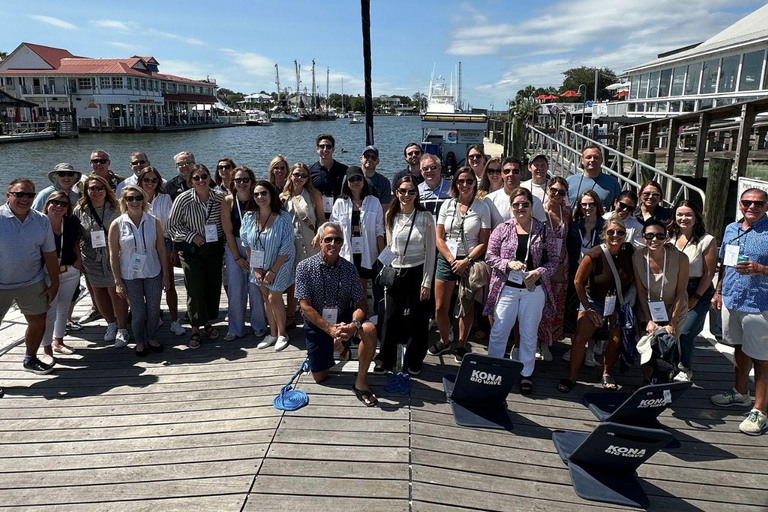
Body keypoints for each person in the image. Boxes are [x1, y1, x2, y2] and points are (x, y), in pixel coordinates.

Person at [484, 187, 559, 395]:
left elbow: (554, 261)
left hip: (533, 290)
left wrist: (540, 271)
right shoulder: (502, 228)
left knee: (528, 334)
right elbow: (489, 256)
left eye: (525, 204)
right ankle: (493, 369)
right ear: (511, 207)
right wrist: (508, 264)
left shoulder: (544, 230)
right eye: (516, 204)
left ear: (531, 206)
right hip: (507, 288)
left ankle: (526, 373)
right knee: (499, 330)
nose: (520, 208)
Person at [295, 222, 378, 406]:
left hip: (342, 317)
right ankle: (339, 347)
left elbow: (361, 302)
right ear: (320, 241)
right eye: (328, 239)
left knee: (369, 329)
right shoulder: (305, 267)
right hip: (317, 321)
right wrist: (330, 330)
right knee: (319, 376)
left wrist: (353, 325)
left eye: (338, 240)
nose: (333, 243)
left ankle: (361, 382)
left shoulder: (349, 269)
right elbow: (305, 307)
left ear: (342, 243)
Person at [711, 188, 768, 435]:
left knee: (762, 358)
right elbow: (724, 263)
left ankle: (760, 410)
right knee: (738, 347)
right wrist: (718, 291)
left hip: (760, 303)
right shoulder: (731, 229)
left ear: (766, 206)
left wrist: (760, 269)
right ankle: (741, 392)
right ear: (740, 204)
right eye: (747, 202)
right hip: (733, 299)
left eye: (758, 203)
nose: (752, 206)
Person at [557, 219, 634, 393]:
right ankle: (572, 376)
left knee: (616, 340)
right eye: (611, 232)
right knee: (579, 339)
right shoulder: (594, 255)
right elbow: (578, 281)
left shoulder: (630, 251)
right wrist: (588, 308)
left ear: (625, 235)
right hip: (594, 301)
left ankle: (606, 372)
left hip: (618, 302)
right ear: (604, 234)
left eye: (620, 232)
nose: (615, 236)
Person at [373, 176, 436, 374]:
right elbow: (391, 245)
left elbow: (431, 253)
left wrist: (426, 282)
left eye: (411, 191)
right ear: (396, 192)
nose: (406, 195)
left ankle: (415, 360)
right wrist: (385, 267)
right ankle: (385, 359)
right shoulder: (391, 214)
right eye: (402, 191)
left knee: (419, 319)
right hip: (396, 270)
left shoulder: (425, 217)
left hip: (417, 271)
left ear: (417, 194)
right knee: (390, 317)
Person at [428, 167, 491, 362]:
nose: (465, 185)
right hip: (448, 259)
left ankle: (462, 344)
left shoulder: (482, 208)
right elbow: (439, 238)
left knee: (466, 306)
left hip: (470, 260)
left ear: (475, 183)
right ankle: (445, 339)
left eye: (469, 181)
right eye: (461, 181)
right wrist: (451, 260)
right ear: (455, 183)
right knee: (440, 307)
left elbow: (484, 241)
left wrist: (466, 261)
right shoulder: (447, 205)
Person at [1, 179, 60, 380]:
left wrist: (55, 284)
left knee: (38, 321)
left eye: (30, 195)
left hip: (32, 281)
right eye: (19, 194)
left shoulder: (42, 220)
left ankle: (30, 358)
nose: (25, 199)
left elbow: (51, 255)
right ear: (8, 195)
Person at [168, 164, 225, 349]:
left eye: (204, 176)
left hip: (213, 249)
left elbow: (226, 223)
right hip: (191, 251)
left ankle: (207, 323)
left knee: (211, 287)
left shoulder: (220, 198)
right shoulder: (183, 199)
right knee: (194, 289)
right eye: (197, 178)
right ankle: (195, 330)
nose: (201, 180)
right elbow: (172, 226)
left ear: (210, 178)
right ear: (190, 181)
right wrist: (193, 236)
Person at [109, 187, 170, 356]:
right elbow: (113, 255)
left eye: (138, 198)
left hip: (153, 272)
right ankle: (139, 342)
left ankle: (151, 337)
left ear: (143, 200)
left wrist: (165, 275)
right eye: (130, 198)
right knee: (138, 312)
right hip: (130, 275)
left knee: (153, 310)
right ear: (124, 201)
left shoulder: (154, 221)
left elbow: (160, 250)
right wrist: (117, 282)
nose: (134, 202)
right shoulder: (117, 224)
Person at [74, 174, 129, 347]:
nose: (96, 191)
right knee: (98, 291)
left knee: (116, 292)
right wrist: (78, 259)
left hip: (113, 255)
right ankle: (110, 324)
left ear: (106, 190)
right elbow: (76, 237)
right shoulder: (80, 210)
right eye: (92, 188)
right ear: (86, 191)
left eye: (100, 188)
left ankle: (122, 328)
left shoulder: (116, 207)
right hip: (91, 257)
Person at [241, 180, 295, 352]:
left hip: (281, 263)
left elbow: (287, 246)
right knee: (265, 296)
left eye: (264, 193)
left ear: (271, 195)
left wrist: (272, 271)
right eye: (256, 194)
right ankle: (271, 333)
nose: (260, 197)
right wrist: (256, 269)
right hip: (258, 264)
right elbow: (246, 243)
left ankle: (282, 334)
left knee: (274, 297)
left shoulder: (283, 217)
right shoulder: (249, 217)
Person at [633, 219, 689, 383]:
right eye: (649, 235)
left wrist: (671, 322)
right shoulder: (637, 256)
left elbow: (680, 292)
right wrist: (649, 319)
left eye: (659, 235)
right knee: (646, 347)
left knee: (667, 347)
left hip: (674, 307)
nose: (654, 240)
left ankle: (665, 382)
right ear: (643, 237)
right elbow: (641, 290)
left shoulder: (681, 258)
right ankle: (647, 382)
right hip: (648, 307)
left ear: (667, 237)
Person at [669, 200, 717, 381]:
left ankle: (685, 367)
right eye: (680, 214)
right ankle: (670, 364)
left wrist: (696, 296)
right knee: (671, 329)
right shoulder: (668, 237)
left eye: (688, 214)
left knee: (686, 332)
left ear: (696, 217)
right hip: (673, 288)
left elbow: (709, 273)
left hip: (697, 288)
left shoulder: (707, 240)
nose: (684, 218)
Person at [220, 166, 268, 341]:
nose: (242, 183)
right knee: (235, 288)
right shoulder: (228, 201)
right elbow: (228, 231)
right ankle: (235, 328)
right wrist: (237, 257)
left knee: (256, 286)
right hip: (236, 245)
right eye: (238, 180)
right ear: (233, 183)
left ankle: (259, 325)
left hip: (256, 246)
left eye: (245, 180)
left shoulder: (258, 199)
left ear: (252, 181)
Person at [138, 166, 185, 336]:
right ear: (141, 181)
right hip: (140, 245)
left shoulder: (165, 199)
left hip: (164, 242)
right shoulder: (135, 199)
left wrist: (173, 248)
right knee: (147, 283)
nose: (150, 183)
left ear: (159, 181)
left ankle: (174, 320)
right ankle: (154, 316)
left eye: (154, 180)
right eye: (146, 180)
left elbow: (172, 225)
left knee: (169, 283)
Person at [40, 191, 82, 361]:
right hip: (47, 273)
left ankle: (59, 341)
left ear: (68, 208)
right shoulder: (38, 222)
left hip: (69, 270)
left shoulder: (71, 222)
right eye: (55, 202)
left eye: (63, 204)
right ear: (48, 203)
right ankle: (46, 348)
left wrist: (79, 260)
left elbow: (76, 242)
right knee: (49, 310)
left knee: (63, 307)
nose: (58, 206)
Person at [281, 162, 324, 329]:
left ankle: (315, 314)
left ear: (307, 179)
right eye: (296, 174)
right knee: (294, 281)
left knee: (313, 279)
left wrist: (319, 234)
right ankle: (291, 314)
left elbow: (321, 218)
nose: (299, 178)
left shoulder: (314, 195)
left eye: (303, 175)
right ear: (291, 175)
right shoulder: (283, 197)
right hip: (292, 244)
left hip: (311, 241)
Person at [330, 166, 385, 292]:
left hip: (367, 249)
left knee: (362, 286)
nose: (355, 182)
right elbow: (334, 228)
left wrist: (382, 254)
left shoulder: (374, 202)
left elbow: (379, 230)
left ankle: (361, 309)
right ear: (347, 182)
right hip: (346, 250)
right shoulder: (340, 203)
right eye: (352, 179)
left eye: (358, 179)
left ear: (363, 180)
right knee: (345, 286)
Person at [537, 177, 571, 361]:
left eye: (562, 192)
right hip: (543, 262)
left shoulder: (566, 211)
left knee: (555, 304)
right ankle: (535, 340)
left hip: (561, 263)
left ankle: (546, 342)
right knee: (540, 303)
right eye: (554, 190)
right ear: (547, 189)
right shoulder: (539, 210)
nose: (557, 194)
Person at [486, 157, 545, 228]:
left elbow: (543, 230)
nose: (511, 174)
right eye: (507, 171)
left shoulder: (535, 201)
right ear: (502, 174)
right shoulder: (489, 200)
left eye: (515, 171)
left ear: (521, 174)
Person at [566, 145, 621, 210]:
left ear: (601, 160)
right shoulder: (570, 181)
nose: (592, 160)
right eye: (588, 157)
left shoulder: (612, 182)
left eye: (596, 157)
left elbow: (618, 209)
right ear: (582, 160)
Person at [310, 134, 348, 216]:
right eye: (322, 146)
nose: (325, 149)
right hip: (317, 215)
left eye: (328, 146)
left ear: (333, 149)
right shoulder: (310, 171)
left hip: (339, 214)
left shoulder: (344, 170)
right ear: (317, 149)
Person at [417, 154, 452, 219]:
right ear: (421, 172)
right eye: (425, 169)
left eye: (433, 167)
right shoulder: (417, 190)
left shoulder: (451, 187)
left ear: (439, 168)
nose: (429, 171)